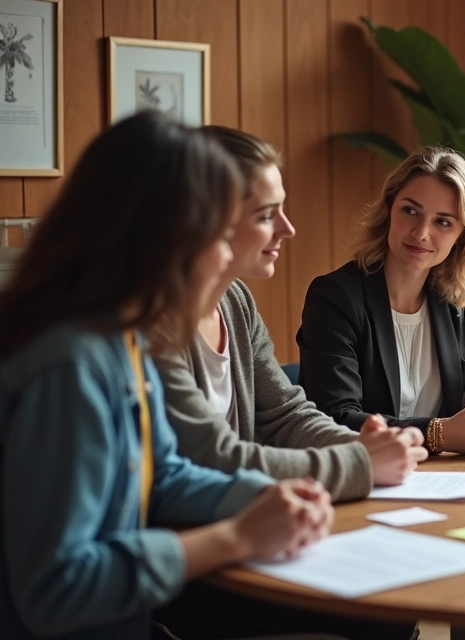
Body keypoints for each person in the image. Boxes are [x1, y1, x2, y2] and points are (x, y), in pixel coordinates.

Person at [0, 111, 334, 640]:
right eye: (221, 235)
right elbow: (55, 591)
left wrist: (267, 496)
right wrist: (238, 538)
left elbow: (167, 473)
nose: (228, 257)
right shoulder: (70, 365)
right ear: (164, 240)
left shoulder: (121, 336)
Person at [153, 126, 427, 503]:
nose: (288, 228)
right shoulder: (151, 322)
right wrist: (361, 460)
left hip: (253, 517)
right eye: (267, 215)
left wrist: (370, 444)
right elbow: (214, 457)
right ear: (209, 217)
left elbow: (286, 415)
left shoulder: (235, 301)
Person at [297, 146, 465, 456]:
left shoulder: (457, 305)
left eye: (443, 222)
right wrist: (440, 434)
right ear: (389, 209)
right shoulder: (335, 297)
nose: (421, 233)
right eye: (410, 211)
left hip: (439, 479)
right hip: (364, 476)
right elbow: (335, 419)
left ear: (462, 235)